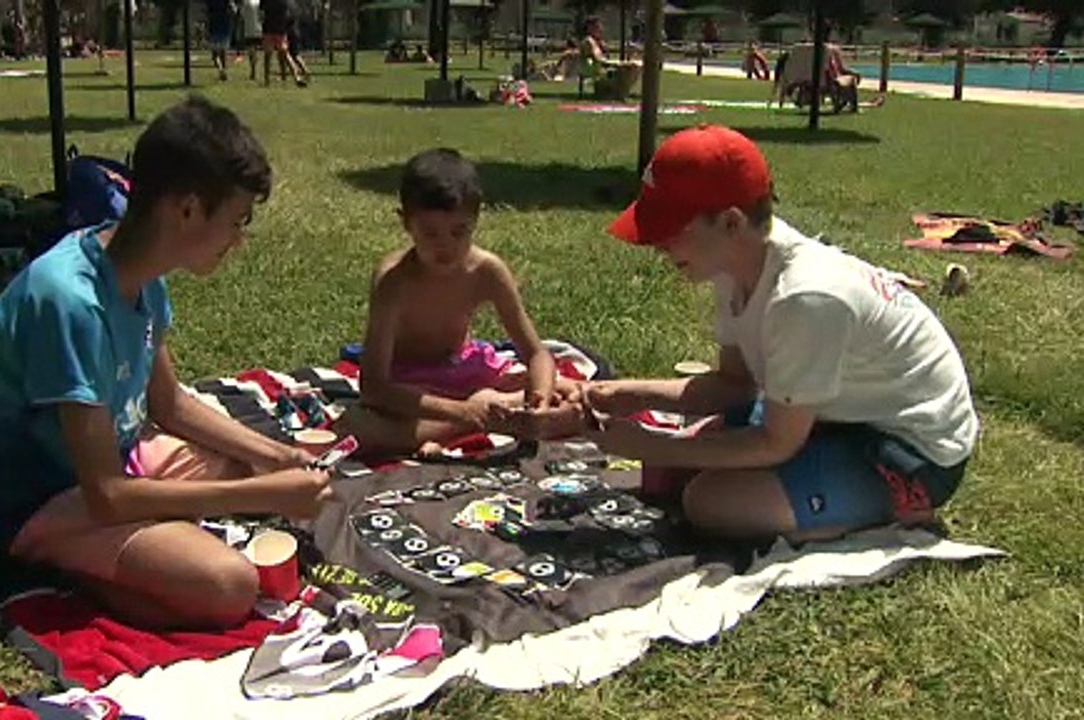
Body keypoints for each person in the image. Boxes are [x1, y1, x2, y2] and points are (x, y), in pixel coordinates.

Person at [0, 96, 333, 631]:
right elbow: (106, 494)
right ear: (185, 208)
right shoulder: (71, 301)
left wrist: (278, 456)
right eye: (236, 220)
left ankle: (153, 539)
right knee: (228, 586)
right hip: (39, 501)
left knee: (246, 467)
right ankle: (64, 568)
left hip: (112, 465)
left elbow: (171, 404)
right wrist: (257, 494)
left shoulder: (141, 278)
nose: (239, 239)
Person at [585, 125, 979, 542]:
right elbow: (736, 386)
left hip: (908, 453)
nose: (657, 245)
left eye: (671, 230)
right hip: (836, 418)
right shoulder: (735, 264)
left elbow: (777, 443)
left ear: (732, 223)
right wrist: (624, 394)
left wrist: (651, 447)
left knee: (710, 502)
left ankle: (899, 508)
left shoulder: (804, 297)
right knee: (687, 466)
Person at [334, 149, 577, 456]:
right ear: (405, 223)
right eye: (430, 232)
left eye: (458, 231)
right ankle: (491, 413)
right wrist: (463, 412)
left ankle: (489, 414)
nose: (445, 245)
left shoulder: (487, 270)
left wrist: (539, 398)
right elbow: (375, 387)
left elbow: (536, 352)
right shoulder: (394, 281)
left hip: (465, 370)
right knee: (357, 427)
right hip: (409, 385)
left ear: (476, 220)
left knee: (555, 385)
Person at [261, 0, 306, 86]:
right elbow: (288, 14)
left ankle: (267, 80)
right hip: (280, 29)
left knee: (268, 56)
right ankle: (297, 78)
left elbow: (261, 14)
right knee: (285, 54)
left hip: (269, 29)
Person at [207, 0, 233, 81]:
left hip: (214, 26)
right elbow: (233, 9)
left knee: (215, 54)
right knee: (223, 52)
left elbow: (207, 12)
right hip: (224, 26)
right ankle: (223, 71)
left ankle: (221, 70)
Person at [237, 0, 263, 81]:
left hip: (249, 30)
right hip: (259, 28)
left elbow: (241, 15)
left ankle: (253, 71)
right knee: (257, 51)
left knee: (251, 51)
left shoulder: (245, 2)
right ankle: (256, 71)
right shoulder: (259, 2)